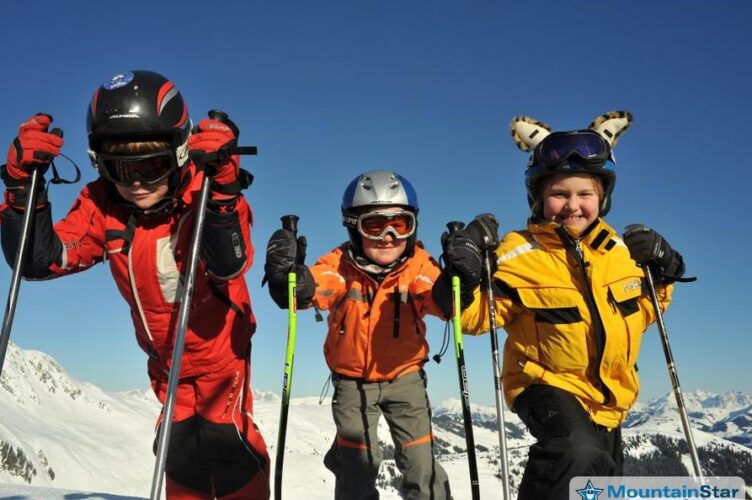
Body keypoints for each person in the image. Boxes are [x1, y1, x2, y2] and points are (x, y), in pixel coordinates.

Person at [0, 70, 269, 499]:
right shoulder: (103, 203)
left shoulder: (206, 190)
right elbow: (39, 260)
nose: (137, 181)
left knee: (226, 442)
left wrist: (223, 192)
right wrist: (21, 188)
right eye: (121, 166)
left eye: (153, 163)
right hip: (165, 365)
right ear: (99, 163)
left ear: (180, 152)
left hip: (221, 358)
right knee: (178, 449)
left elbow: (231, 263)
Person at [433, 112, 689, 500]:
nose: (573, 205)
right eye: (559, 194)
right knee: (575, 451)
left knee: (598, 485)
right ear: (539, 197)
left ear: (602, 198)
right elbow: (472, 317)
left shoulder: (620, 252)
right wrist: (463, 277)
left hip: (608, 398)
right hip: (542, 382)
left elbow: (641, 312)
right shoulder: (518, 253)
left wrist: (666, 272)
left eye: (585, 194)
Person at [263, 170, 451, 499]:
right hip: (351, 382)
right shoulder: (340, 265)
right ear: (353, 227)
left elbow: (434, 295)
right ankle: (346, 462)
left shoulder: (419, 266)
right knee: (359, 464)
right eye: (373, 225)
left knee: (421, 464)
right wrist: (295, 281)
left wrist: (457, 282)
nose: (388, 236)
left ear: (413, 226)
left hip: (405, 378)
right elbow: (321, 282)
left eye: (400, 224)